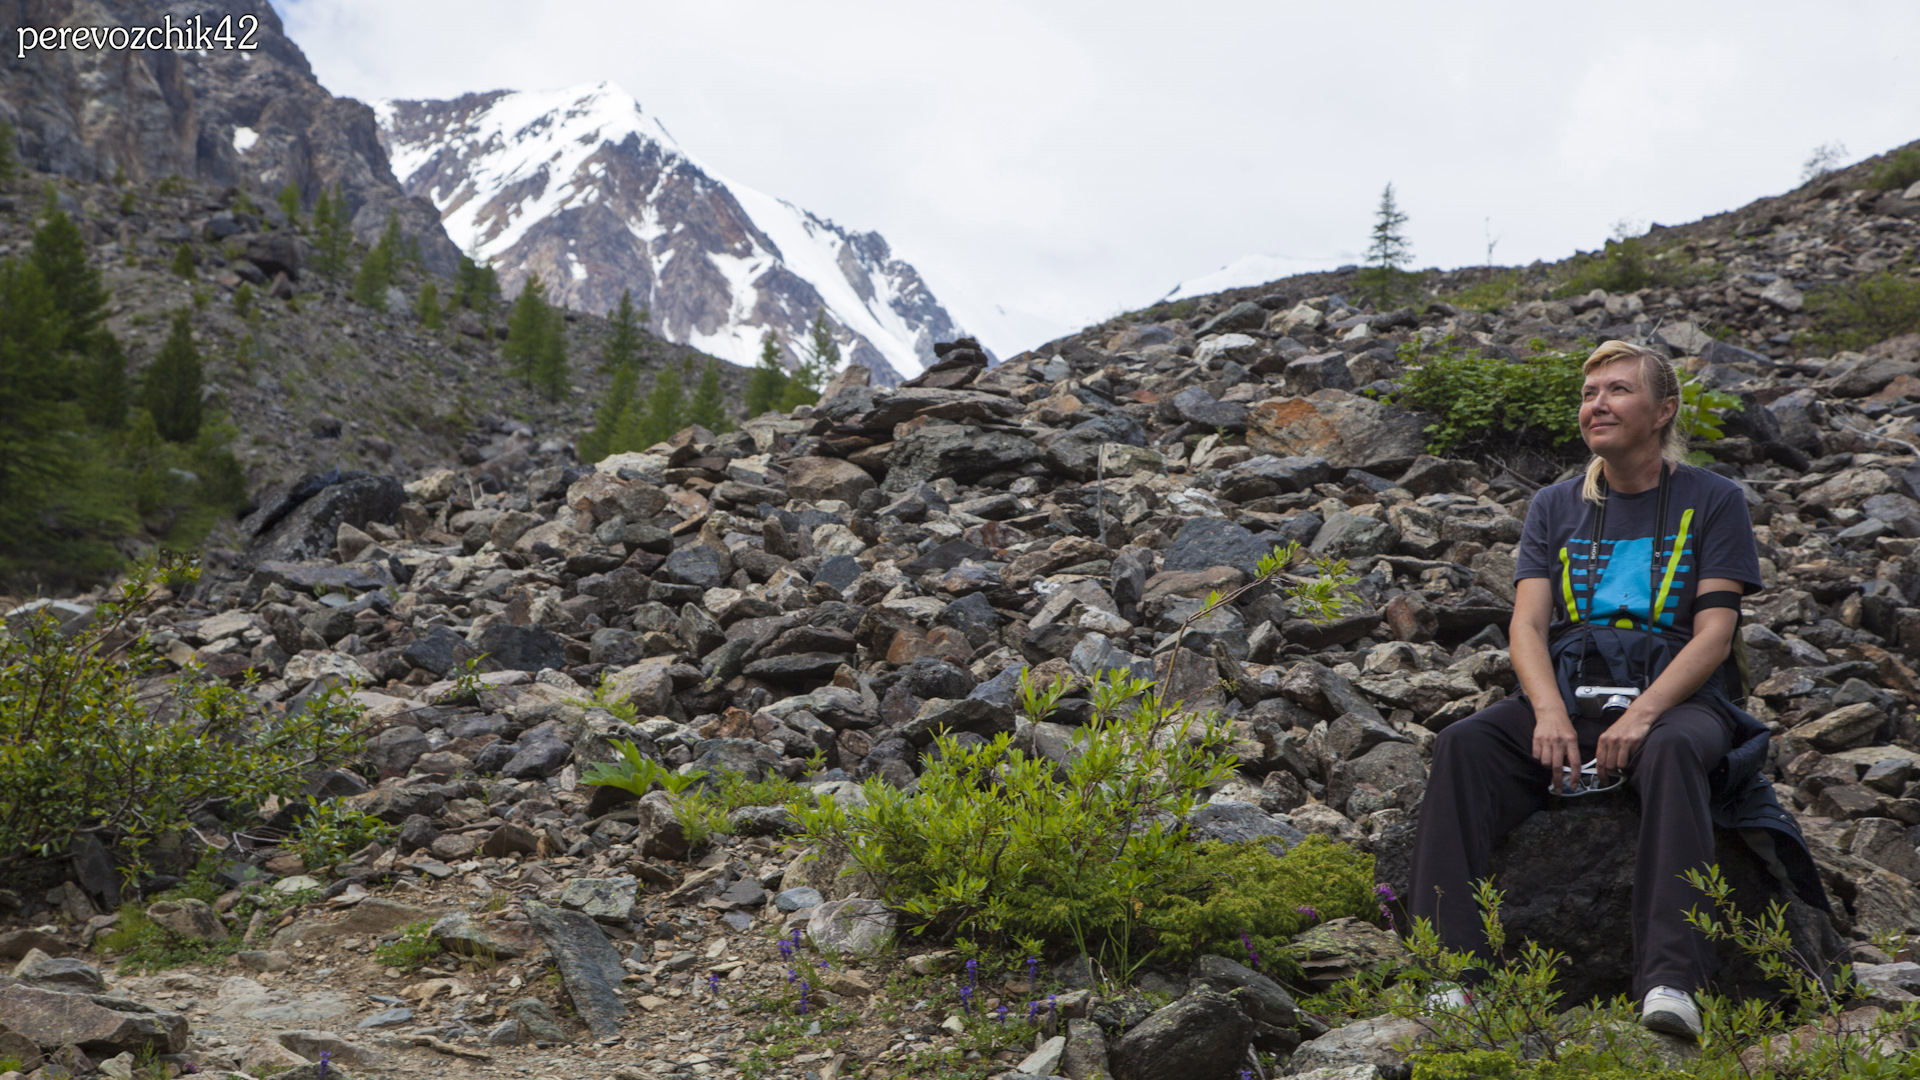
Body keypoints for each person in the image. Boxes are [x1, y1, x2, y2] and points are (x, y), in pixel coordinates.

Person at [1406, 340, 1828, 1039]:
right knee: (1464, 746)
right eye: (1589, 391)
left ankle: (1671, 981)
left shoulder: (1713, 500)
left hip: (1679, 699)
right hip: (1573, 691)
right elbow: (1528, 624)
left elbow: (1714, 636)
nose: (1597, 403)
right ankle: (1450, 975)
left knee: (1671, 752)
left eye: (1618, 390)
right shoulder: (1554, 506)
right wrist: (1546, 711)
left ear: (1663, 411)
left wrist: (1643, 714)